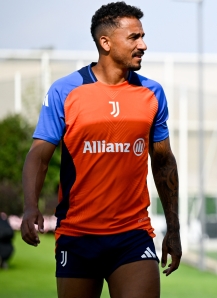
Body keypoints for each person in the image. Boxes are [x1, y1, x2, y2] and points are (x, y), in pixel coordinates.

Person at [20, 2, 181, 297]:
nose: (143, 45)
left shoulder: (152, 93)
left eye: (142, 36)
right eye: (134, 37)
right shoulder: (65, 91)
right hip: (78, 234)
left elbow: (163, 162)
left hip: (133, 234)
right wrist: (30, 206)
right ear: (105, 42)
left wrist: (174, 227)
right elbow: (39, 156)